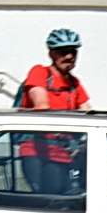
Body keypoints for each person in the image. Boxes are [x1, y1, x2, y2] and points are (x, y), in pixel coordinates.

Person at [18, 28, 89, 195]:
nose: (69, 57)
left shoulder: (74, 83)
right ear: (52, 54)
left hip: (63, 152)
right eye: (63, 52)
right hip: (38, 150)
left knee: (64, 196)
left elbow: (88, 113)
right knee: (50, 196)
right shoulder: (40, 72)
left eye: (73, 52)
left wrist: (84, 141)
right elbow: (42, 107)